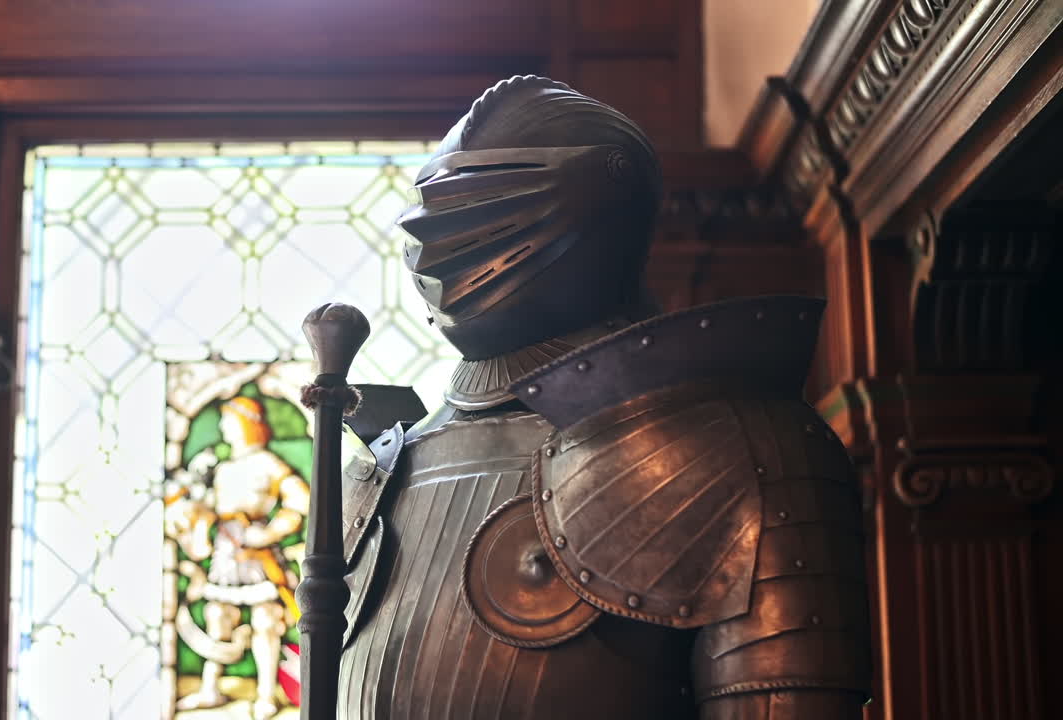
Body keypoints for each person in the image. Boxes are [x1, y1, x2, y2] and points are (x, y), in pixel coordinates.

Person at [334, 76, 873, 719]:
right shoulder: (378, 471)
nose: (437, 225)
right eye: (438, 197)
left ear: (602, 203)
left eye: (482, 193)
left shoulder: (743, 450)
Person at [165, 396, 308, 719]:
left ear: (246, 422)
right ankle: (209, 688)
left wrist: (269, 533)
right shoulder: (223, 469)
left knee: (266, 620)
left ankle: (266, 693)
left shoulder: (269, 464)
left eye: (228, 420)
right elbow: (210, 512)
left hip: (257, 553)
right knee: (218, 615)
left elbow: (300, 501)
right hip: (225, 553)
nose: (223, 427)